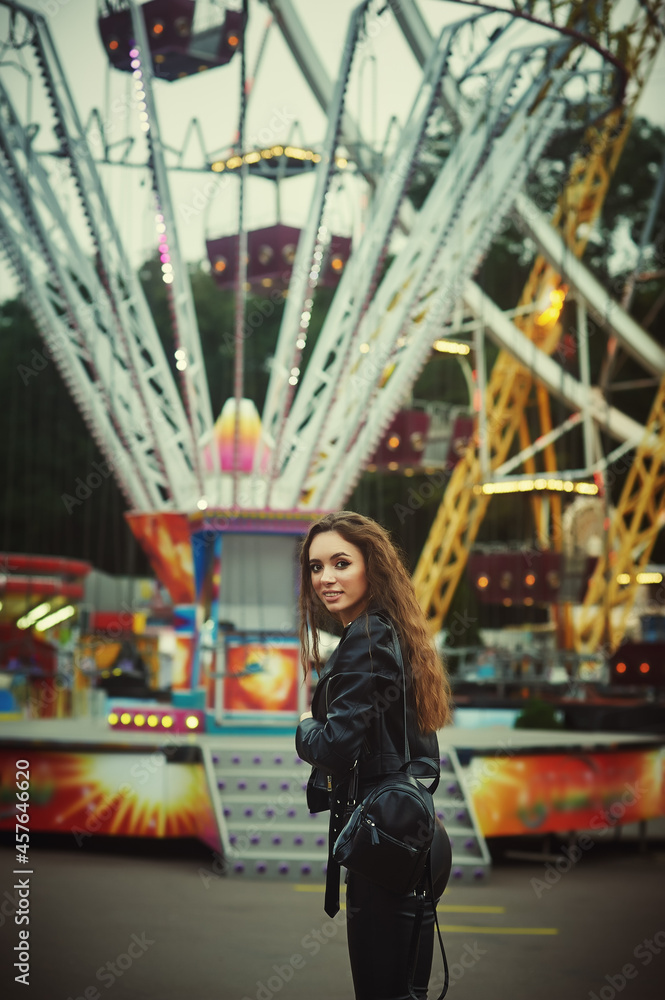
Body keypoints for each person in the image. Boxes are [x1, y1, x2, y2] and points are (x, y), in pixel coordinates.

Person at [295, 510, 453, 1000]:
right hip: (413, 837)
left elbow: (337, 747)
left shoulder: (365, 636)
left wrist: (304, 727)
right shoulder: (395, 631)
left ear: (373, 566)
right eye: (316, 567)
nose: (326, 578)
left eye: (341, 563)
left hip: (382, 844)